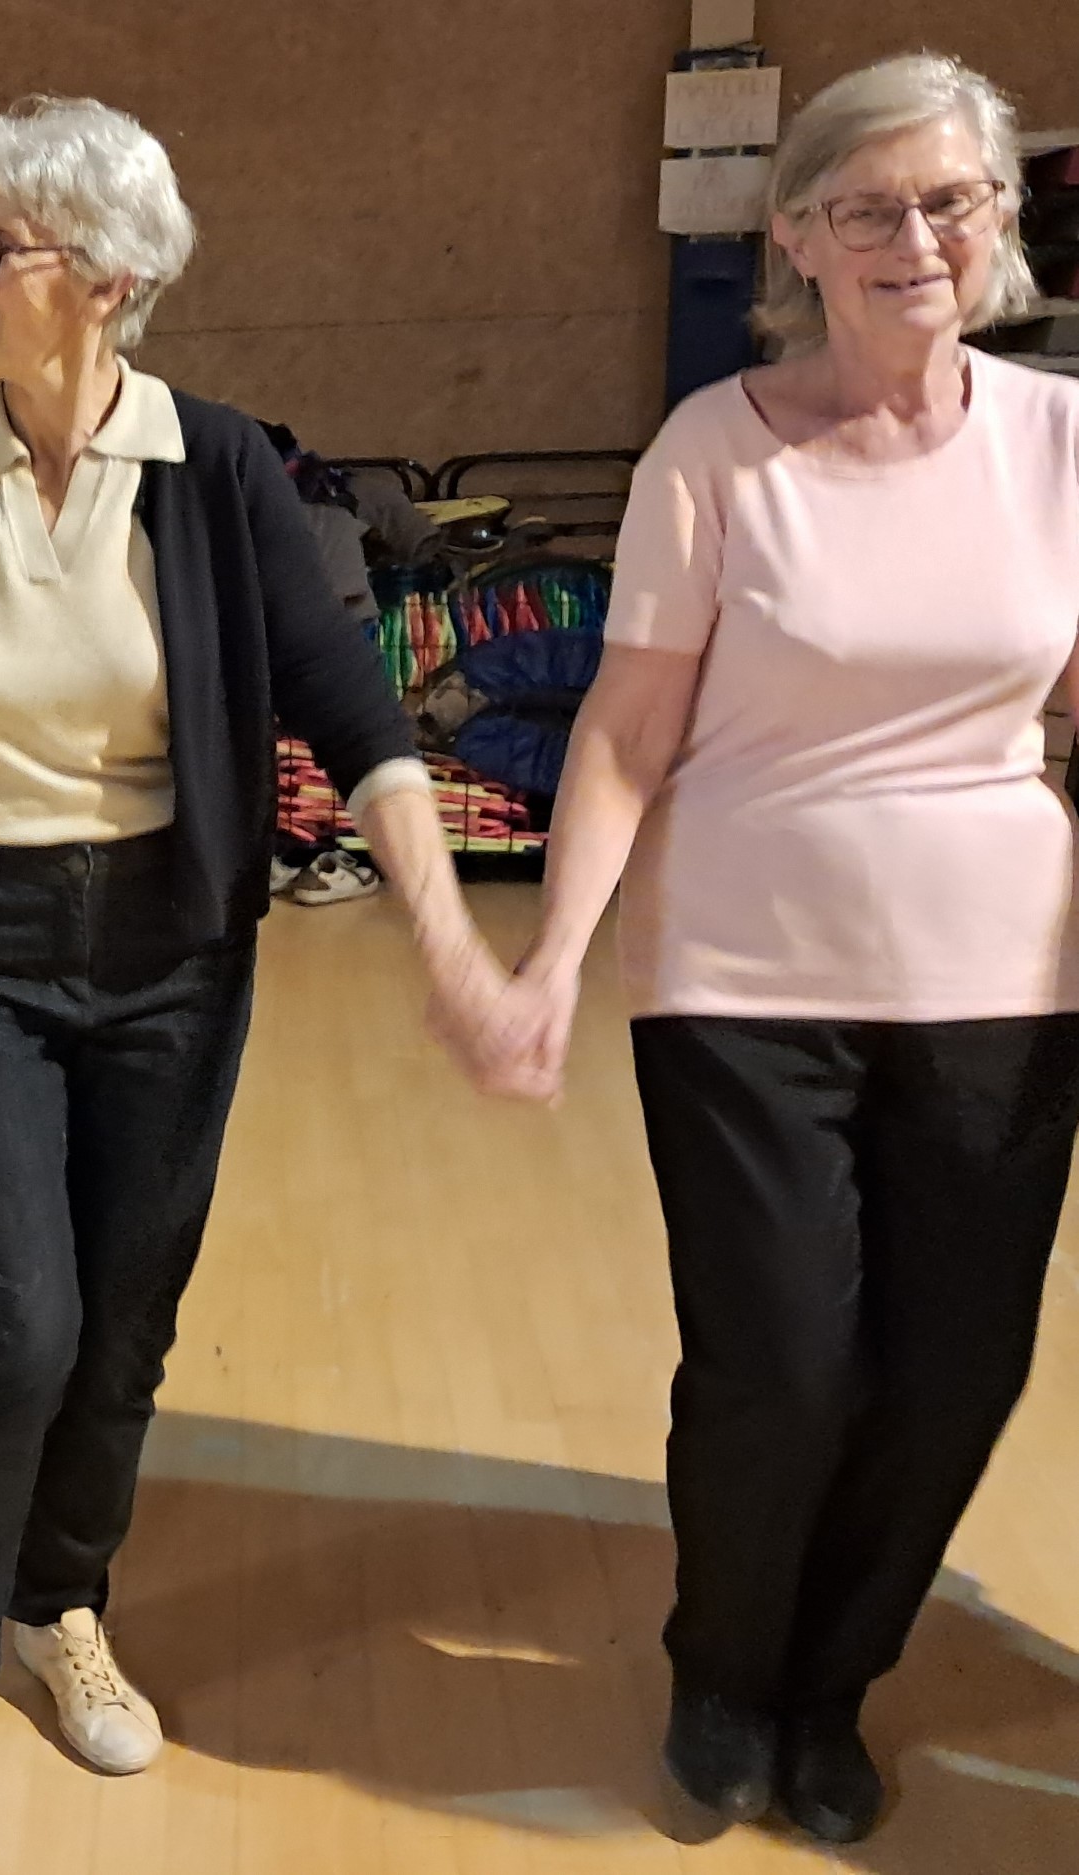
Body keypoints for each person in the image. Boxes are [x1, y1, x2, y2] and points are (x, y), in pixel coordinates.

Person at [0, 97, 512, 1829]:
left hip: (171, 954)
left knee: (125, 1324)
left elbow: (355, 714)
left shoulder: (217, 472)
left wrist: (446, 935)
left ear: (110, 277)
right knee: (19, 1318)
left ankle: (56, 1605)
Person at [471, 54, 1072, 1846]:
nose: (914, 238)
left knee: (954, 1374)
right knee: (781, 1368)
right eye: (866, 206)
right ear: (795, 236)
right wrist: (551, 960)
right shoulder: (717, 447)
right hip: (741, 984)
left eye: (948, 199)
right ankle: (723, 1670)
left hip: (1003, 984)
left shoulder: (1062, 444)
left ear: (1000, 218)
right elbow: (621, 731)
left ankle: (832, 1683)